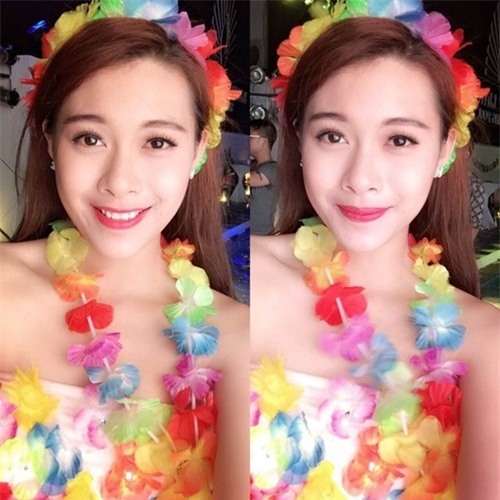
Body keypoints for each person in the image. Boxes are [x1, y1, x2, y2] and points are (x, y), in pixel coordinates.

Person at [251, 1, 499, 498]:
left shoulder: (483, 342)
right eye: (333, 135)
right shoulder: (243, 281)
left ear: (444, 149)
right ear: (298, 140)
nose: (361, 178)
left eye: (400, 140)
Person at [0, 2, 249, 498]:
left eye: (157, 142)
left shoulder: (239, 340)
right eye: (90, 138)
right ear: (50, 141)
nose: (120, 181)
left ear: (198, 149)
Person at [249, 119, 278, 235]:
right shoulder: (254, 167)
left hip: (262, 235)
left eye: (250, 137)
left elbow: (247, 180)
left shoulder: (273, 169)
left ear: (263, 141)